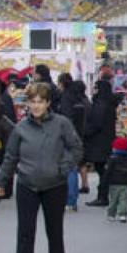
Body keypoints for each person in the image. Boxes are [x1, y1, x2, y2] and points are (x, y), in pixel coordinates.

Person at [0, 82, 83, 253]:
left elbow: (76, 147)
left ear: (48, 103)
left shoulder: (62, 123)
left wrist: (64, 168)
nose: (36, 106)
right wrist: (0, 182)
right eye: (32, 101)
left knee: (55, 234)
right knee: (25, 235)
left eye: (40, 102)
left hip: (55, 185)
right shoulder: (21, 128)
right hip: (27, 184)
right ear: (27, 103)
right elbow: (10, 157)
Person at [85, 80, 119, 207]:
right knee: (103, 169)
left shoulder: (101, 103)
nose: (94, 90)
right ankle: (103, 195)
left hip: (99, 141)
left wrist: (85, 131)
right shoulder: (110, 102)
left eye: (96, 88)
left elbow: (96, 124)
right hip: (108, 139)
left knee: (102, 169)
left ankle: (102, 196)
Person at [58, 76, 89, 211]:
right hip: (79, 135)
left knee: (69, 169)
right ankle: (73, 200)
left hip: (68, 136)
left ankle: (69, 200)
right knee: (73, 168)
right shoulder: (82, 99)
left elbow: (66, 118)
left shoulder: (66, 98)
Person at [105, 137, 127, 223]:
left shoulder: (112, 160)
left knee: (113, 199)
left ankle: (111, 214)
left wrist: (105, 181)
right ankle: (123, 215)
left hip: (114, 183)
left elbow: (108, 172)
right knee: (124, 199)